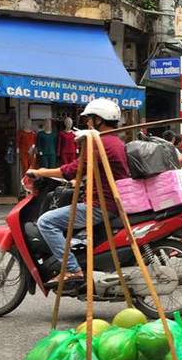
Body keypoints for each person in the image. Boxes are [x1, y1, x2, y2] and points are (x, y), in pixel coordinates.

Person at [31, 99, 131, 282]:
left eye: (90, 119)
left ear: (99, 120)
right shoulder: (115, 141)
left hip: (100, 205)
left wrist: (40, 172)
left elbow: (72, 170)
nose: (88, 123)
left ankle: (72, 269)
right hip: (110, 201)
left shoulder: (100, 143)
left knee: (46, 222)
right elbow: (89, 171)